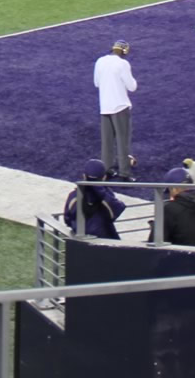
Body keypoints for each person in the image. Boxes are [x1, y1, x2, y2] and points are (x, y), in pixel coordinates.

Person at [94, 40, 136, 180]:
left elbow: (97, 83)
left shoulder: (100, 61)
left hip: (105, 106)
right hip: (120, 106)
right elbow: (132, 86)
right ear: (124, 51)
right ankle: (125, 172)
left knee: (106, 141)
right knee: (122, 141)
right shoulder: (123, 64)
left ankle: (106, 169)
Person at [62, 159, 125, 239]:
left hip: (79, 243)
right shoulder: (107, 196)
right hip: (105, 242)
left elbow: (67, 220)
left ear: (84, 176)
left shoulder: (74, 196)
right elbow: (118, 209)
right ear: (104, 177)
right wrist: (101, 189)